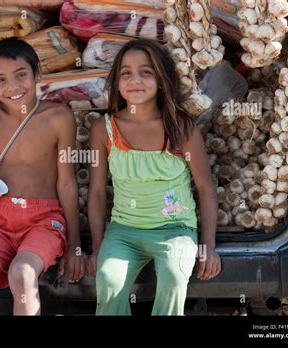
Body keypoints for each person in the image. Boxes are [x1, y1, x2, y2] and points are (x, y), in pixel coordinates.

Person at [0, 37, 87, 315]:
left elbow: (66, 182)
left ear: (37, 73)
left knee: (22, 273)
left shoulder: (60, 117)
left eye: (21, 75)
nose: (12, 87)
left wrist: (74, 246)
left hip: (43, 221)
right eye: (1, 80)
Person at [87, 38, 221, 315]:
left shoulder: (182, 128)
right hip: (123, 232)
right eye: (126, 73)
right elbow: (98, 192)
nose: (135, 80)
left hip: (175, 230)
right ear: (117, 82)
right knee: (109, 279)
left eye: (145, 72)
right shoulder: (105, 128)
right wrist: (99, 247)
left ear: (161, 79)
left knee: (173, 275)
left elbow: (206, 189)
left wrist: (208, 246)